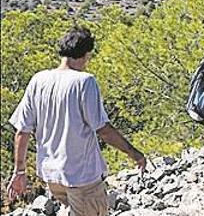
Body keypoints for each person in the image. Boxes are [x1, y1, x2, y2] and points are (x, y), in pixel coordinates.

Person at [6, 27, 146, 216]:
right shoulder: (84, 82)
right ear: (86, 54)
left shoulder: (38, 80)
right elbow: (103, 129)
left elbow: (22, 131)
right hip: (82, 177)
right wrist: (135, 154)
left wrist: (19, 171)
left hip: (52, 176)